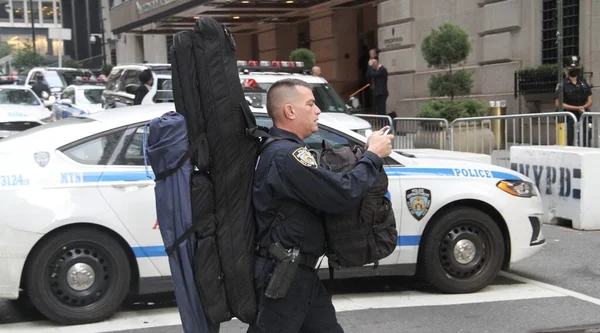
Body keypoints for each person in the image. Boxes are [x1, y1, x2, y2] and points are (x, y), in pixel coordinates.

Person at [247, 78, 394, 333]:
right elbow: (341, 193)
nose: (318, 110)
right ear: (290, 111)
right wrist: (372, 156)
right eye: (311, 104)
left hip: (298, 273)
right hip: (284, 275)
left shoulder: (282, 151)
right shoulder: (286, 156)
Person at [555, 55, 594, 147]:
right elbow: (558, 103)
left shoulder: (583, 83)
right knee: (568, 142)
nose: (574, 69)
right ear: (567, 68)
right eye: (572, 67)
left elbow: (590, 99)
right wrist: (577, 108)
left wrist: (583, 107)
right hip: (568, 117)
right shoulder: (562, 84)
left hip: (583, 115)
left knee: (585, 140)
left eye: (576, 67)